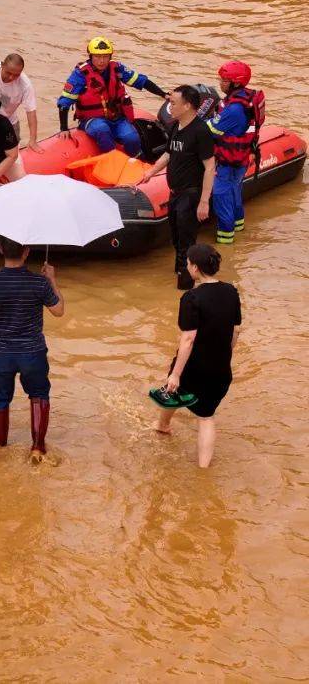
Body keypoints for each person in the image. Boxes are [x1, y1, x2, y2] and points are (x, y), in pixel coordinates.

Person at [0, 237, 65, 458]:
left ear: (0, 249)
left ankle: (0, 446)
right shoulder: (39, 283)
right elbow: (59, 310)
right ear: (26, 252)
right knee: (39, 394)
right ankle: (37, 447)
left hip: (2, 353)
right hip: (33, 352)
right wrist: (52, 279)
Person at [154, 244, 241, 468]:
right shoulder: (231, 291)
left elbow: (188, 339)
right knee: (206, 416)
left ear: (194, 267)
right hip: (221, 368)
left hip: (195, 367)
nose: (186, 266)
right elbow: (236, 330)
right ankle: (203, 469)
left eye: (188, 263)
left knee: (173, 390)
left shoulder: (191, 298)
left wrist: (175, 373)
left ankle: (162, 426)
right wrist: (226, 356)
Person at [137, 85, 216, 290]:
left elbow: (210, 168)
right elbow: (169, 153)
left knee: (186, 243)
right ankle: (180, 274)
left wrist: (204, 202)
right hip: (175, 193)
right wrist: (151, 173)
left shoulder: (200, 131)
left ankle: (185, 287)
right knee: (176, 237)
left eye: (173, 103)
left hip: (191, 194)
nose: (169, 107)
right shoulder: (175, 126)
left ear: (188, 105)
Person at [56, 37, 168, 156]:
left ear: (110, 57)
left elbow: (141, 81)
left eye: (105, 57)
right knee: (102, 129)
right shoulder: (80, 75)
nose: (101, 61)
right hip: (91, 120)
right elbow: (64, 103)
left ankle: (137, 161)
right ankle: (112, 160)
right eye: (97, 57)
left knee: (131, 138)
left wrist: (163, 94)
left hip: (116, 118)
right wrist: (64, 128)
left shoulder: (116, 68)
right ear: (91, 56)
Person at [207, 61, 265, 245]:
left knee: (221, 197)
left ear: (236, 83)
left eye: (224, 80)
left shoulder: (234, 110)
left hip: (228, 162)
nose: (220, 83)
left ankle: (225, 242)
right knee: (235, 193)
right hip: (242, 158)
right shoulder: (247, 99)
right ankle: (239, 227)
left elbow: (210, 130)